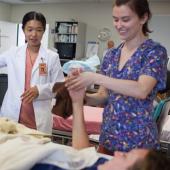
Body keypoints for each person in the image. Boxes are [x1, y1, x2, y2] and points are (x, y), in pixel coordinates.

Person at [66, 0, 168, 154]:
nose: (119, 25)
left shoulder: (154, 52)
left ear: (143, 18)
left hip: (139, 143)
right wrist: (81, 96)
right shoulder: (111, 55)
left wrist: (95, 77)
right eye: (115, 19)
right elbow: (103, 95)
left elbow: (141, 90)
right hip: (108, 139)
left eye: (125, 19)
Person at [0, 11, 64, 134]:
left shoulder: (52, 57)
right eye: (29, 29)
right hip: (12, 116)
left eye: (39, 30)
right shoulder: (13, 53)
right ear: (23, 30)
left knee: (38, 151)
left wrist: (40, 90)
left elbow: (60, 87)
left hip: (38, 119)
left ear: (43, 31)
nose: (34, 34)